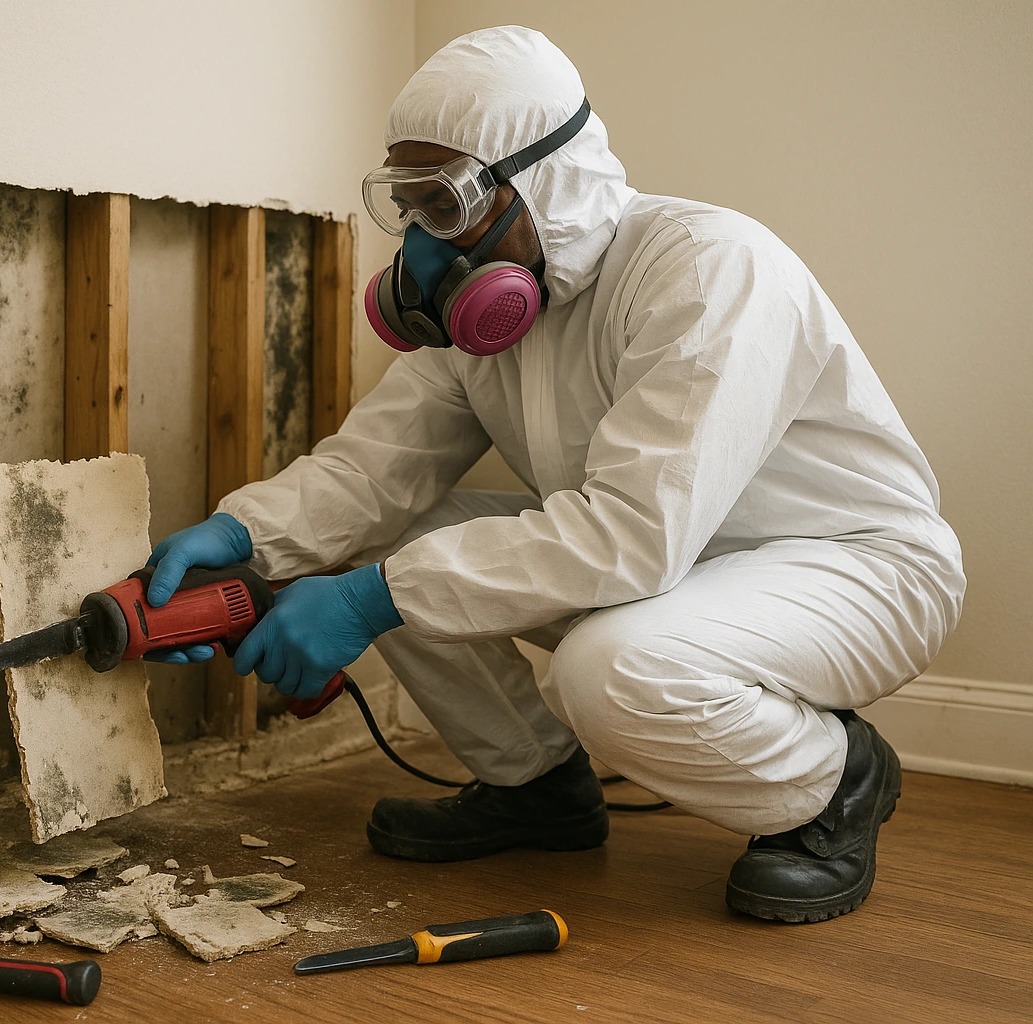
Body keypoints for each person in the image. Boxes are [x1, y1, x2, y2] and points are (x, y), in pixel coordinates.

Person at [144, 26, 963, 923]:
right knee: (396, 534)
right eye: (409, 206)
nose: (425, 245)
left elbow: (629, 536)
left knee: (606, 668)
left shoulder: (706, 270)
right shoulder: (481, 318)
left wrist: (367, 601)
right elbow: (375, 473)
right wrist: (246, 540)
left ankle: (836, 780)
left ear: (543, 176)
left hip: (851, 565)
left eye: (446, 205)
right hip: (666, 568)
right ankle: (533, 784)